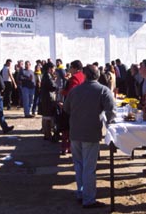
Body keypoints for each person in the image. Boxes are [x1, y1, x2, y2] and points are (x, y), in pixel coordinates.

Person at [63, 64, 115, 209]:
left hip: (75, 132)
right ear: (98, 75)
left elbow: (66, 108)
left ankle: (81, 194)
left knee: (79, 165)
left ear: (84, 75)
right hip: (91, 133)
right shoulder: (103, 90)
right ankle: (88, 199)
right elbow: (111, 111)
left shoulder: (74, 90)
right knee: (89, 168)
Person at [59, 60, 85, 155]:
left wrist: (62, 92)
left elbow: (72, 92)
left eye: (71, 67)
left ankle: (65, 147)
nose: (69, 69)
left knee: (66, 128)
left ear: (74, 68)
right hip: (81, 106)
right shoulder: (83, 76)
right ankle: (70, 147)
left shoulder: (74, 78)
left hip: (71, 106)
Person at [40, 62, 57, 140]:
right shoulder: (47, 76)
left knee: (46, 116)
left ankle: (47, 133)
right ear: (50, 69)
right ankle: (47, 134)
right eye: (53, 68)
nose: (54, 70)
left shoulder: (46, 76)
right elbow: (53, 86)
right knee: (48, 117)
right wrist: (56, 83)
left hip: (45, 97)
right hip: (48, 98)